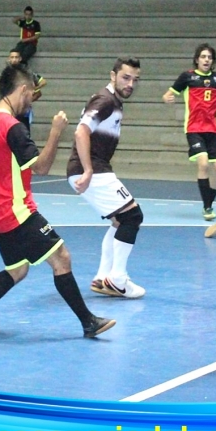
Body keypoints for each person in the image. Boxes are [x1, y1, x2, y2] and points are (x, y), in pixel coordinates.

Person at [0, 64, 114, 338]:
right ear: (22, 90)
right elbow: (41, 168)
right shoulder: (13, 128)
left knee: (17, 270)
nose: (32, 99)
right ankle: (88, 322)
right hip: (17, 211)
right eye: (31, 93)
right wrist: (56, 131)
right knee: (61, 258)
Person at [66, 57, 146, 299]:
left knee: (120, 221)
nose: (130, 83)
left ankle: (103, 277)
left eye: (135, 79)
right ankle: (118, 279)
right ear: (113, 76)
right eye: (125, 77)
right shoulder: (106, 101)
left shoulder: (113, 101)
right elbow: (81, 131)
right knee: (133, 216)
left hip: (95, 168)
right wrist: (88, 169)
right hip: (90, 169)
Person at [162, 43, 216, 221]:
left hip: (213, 130)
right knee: (203, 164)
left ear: (213, 61)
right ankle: (207, 207)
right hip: (194, 129)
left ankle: (208, 202)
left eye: (209, 57)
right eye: (203, 57)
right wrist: (168, 98)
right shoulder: (187, 77)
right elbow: (167, 95)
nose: (206, 60)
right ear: (197, 60)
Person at [7, 49, 46, 131]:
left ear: (20, 59)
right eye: (12, 57)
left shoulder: (25, 72)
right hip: (10, 109)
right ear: (9, 59)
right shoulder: (6, 74)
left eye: (16, 57)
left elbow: (43, 82)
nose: (14, 59)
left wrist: (33, 90)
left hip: (23, 111)